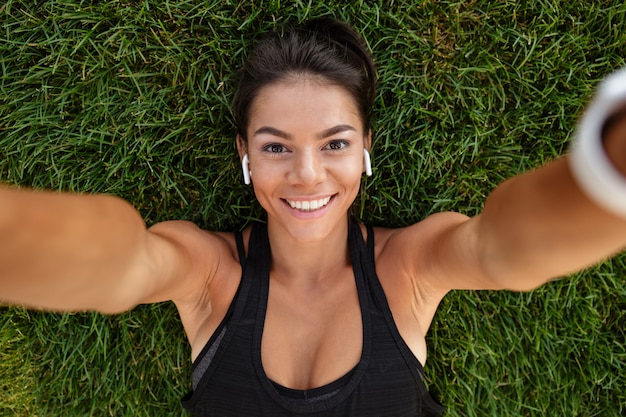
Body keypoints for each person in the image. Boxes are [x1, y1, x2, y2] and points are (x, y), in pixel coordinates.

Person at [1, 16, 626, 417]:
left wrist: (610, 171)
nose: (306, 175)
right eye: (276, 146)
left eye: (335, 143)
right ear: (244, 155)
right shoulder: (211, 273)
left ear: (366, 149)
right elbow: (123, 263)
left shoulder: (407, 265)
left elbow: (501, 250)